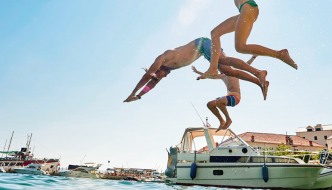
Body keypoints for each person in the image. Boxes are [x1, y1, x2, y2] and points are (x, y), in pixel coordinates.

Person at [124, 37, 269, 103]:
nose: (164, 77)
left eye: (159, 76)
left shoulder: (163, 58)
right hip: (203, 51)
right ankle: (259, 81)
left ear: (157, 70)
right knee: (228, 70)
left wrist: (133, 93)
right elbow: (152, 83)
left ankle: (258, 73)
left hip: (203, 43)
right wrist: (140, 96)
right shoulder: (168, 68)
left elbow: (148, 77)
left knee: (224, 63)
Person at [201, 0, 297, 79]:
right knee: (215, 33)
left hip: (248, 8)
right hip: (246, 9)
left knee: (240, 47)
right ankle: (213, 68)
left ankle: (279, 54)